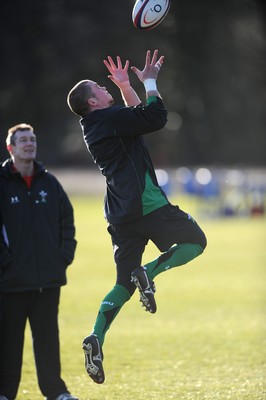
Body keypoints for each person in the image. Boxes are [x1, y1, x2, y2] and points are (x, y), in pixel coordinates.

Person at [67, 50, 207, 384]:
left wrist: (125, 85)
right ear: (93, 102)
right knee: (196, 242)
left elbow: (135, 118)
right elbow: (155, 117)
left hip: (119, 212)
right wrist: (149, 81)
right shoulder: (109, 119)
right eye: (99, 89)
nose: (105, 88)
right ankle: (149, 271)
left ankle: (96, 338)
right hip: (146, 204)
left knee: (122, 284)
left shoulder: (98, 123)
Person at [0, 123, 78, 400]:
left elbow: (66, 223)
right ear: (11, 148)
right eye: (22, 140)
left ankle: (55, 392)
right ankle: (5, 393)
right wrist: (5, 265)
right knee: (9, 343)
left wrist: (63, 258)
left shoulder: (49, 183)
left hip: (48, 278)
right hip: (11, 281)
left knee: (47, 340)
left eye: (32, 139)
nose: (29, 144)